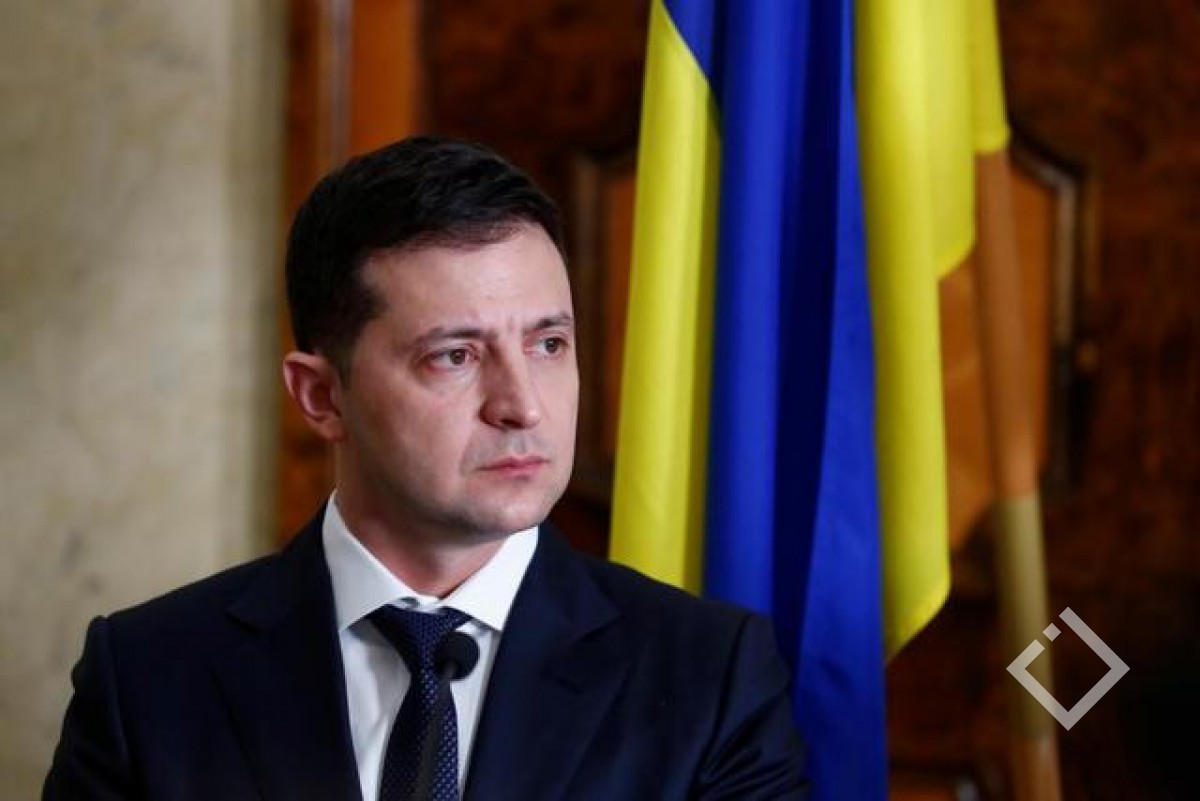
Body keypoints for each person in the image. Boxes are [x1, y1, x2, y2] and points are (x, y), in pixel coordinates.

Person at [43, 136, 807, 800]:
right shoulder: (147, 677)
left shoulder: (711, 677)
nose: (522, 405)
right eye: (455, 356)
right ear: (321, 396)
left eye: (548, 344)